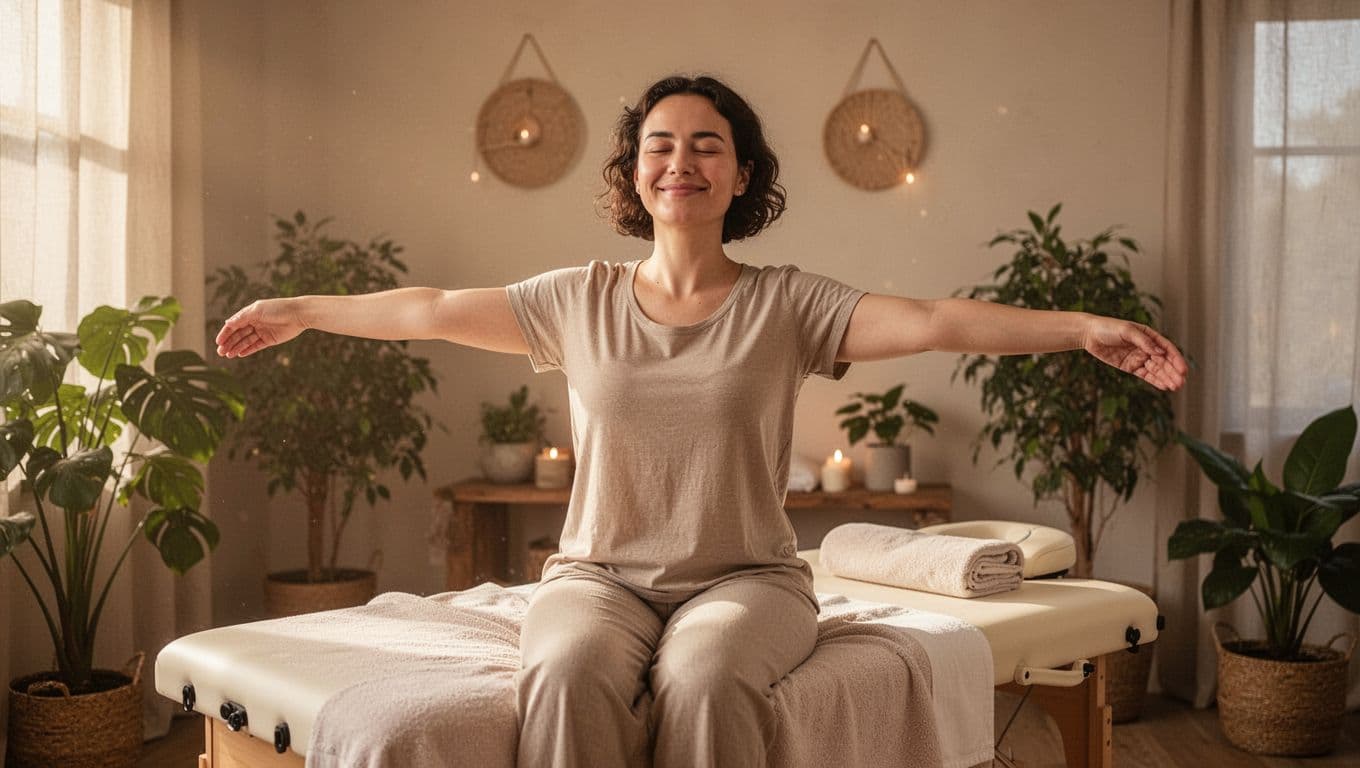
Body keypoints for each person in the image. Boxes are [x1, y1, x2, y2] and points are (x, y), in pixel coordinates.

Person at [215, 75, 1187, 768]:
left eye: (706, 144)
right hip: (596, 579)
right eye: (660, 144)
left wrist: (1081, 328)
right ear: (635, 173)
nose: (681, 160)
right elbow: (430, 308)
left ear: (740, 176)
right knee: (565, 673)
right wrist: (303, 311)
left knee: (708, 679)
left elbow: (935, 319)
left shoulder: (789, 304)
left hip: (747, 581)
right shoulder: (575, 300)